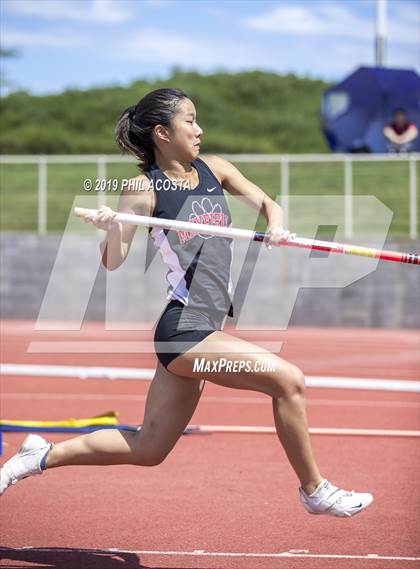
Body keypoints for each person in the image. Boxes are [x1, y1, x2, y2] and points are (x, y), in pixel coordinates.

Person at [0, 88, 373, 517]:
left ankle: (39, 455)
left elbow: (268, 203)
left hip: (206, 328)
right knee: (288, 381)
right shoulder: (142, 188)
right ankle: (314, 490)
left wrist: (276, 225)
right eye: (190, 121)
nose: (199, 130)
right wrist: (114, 225)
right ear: (162, 132)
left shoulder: (215, 169)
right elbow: (113, 260)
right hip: (183, 330)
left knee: (148, 447)